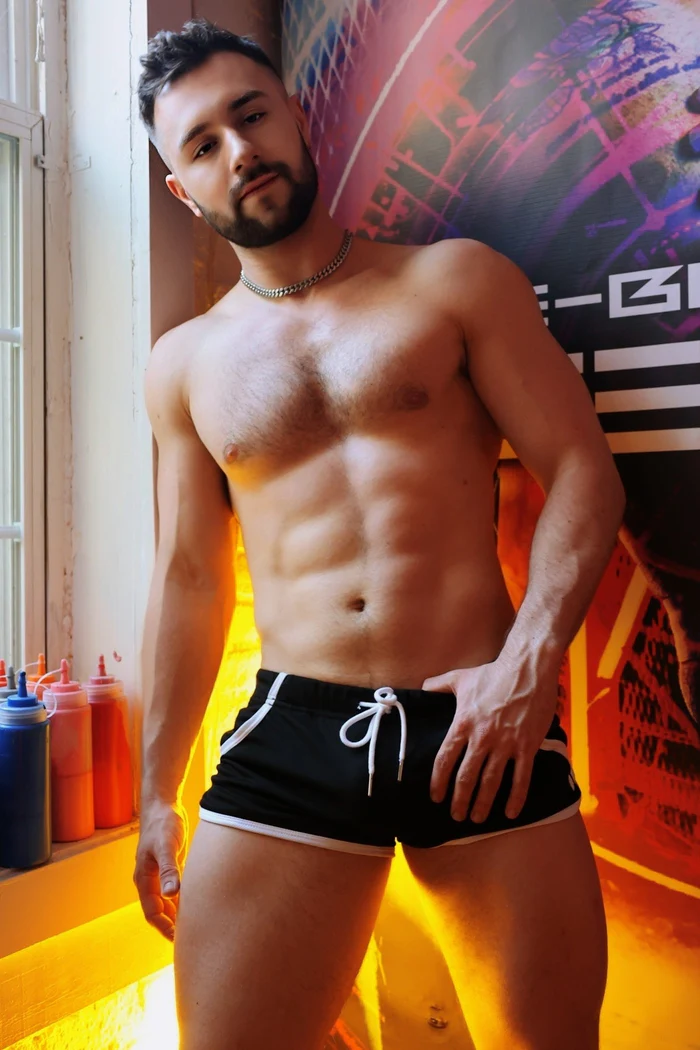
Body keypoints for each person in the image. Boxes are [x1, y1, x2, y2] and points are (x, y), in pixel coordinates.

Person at [135, 18, 624, 1050]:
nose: (239, 150)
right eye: (203, 144)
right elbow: (188, 576)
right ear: (182, 189)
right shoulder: (183, 364)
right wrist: (154, 791)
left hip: (479, 716)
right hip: (293, 731)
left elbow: (582, 470)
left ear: (295, 116)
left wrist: (529, 667)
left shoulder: (453, 281)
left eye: (251, 115)